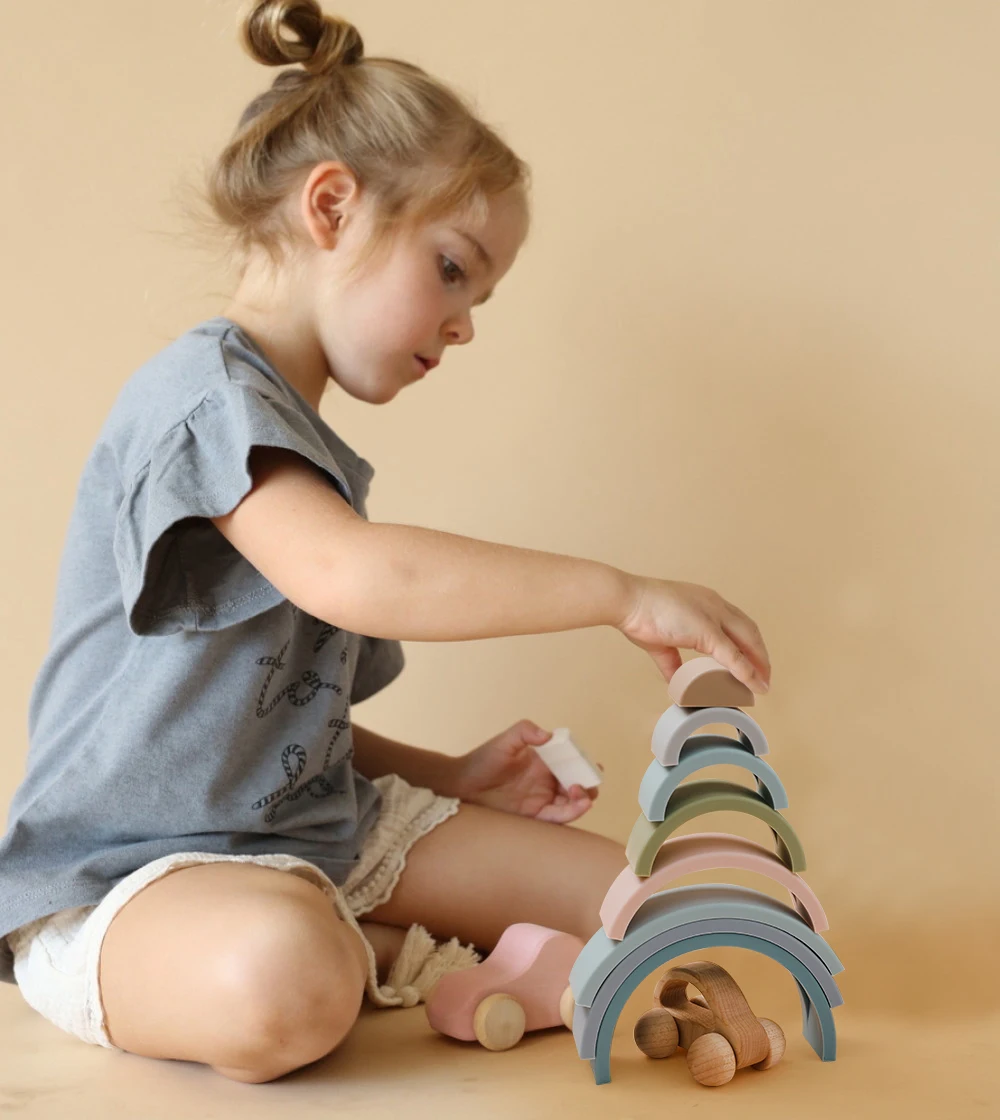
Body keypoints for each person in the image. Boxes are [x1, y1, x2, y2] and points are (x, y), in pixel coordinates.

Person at [0, 0, 770, 1086]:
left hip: (313, 831)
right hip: (128, 874)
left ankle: (406, 948)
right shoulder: (205, 401)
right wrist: (619, 592)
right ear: (331, 207)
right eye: (453, 270)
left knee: (645, 899)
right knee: (283, 977)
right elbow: (356, 578)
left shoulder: (311, 454)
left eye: (481, 296)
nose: (465, 324)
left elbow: (275, 720)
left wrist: (449, 775)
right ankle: (379, 952)